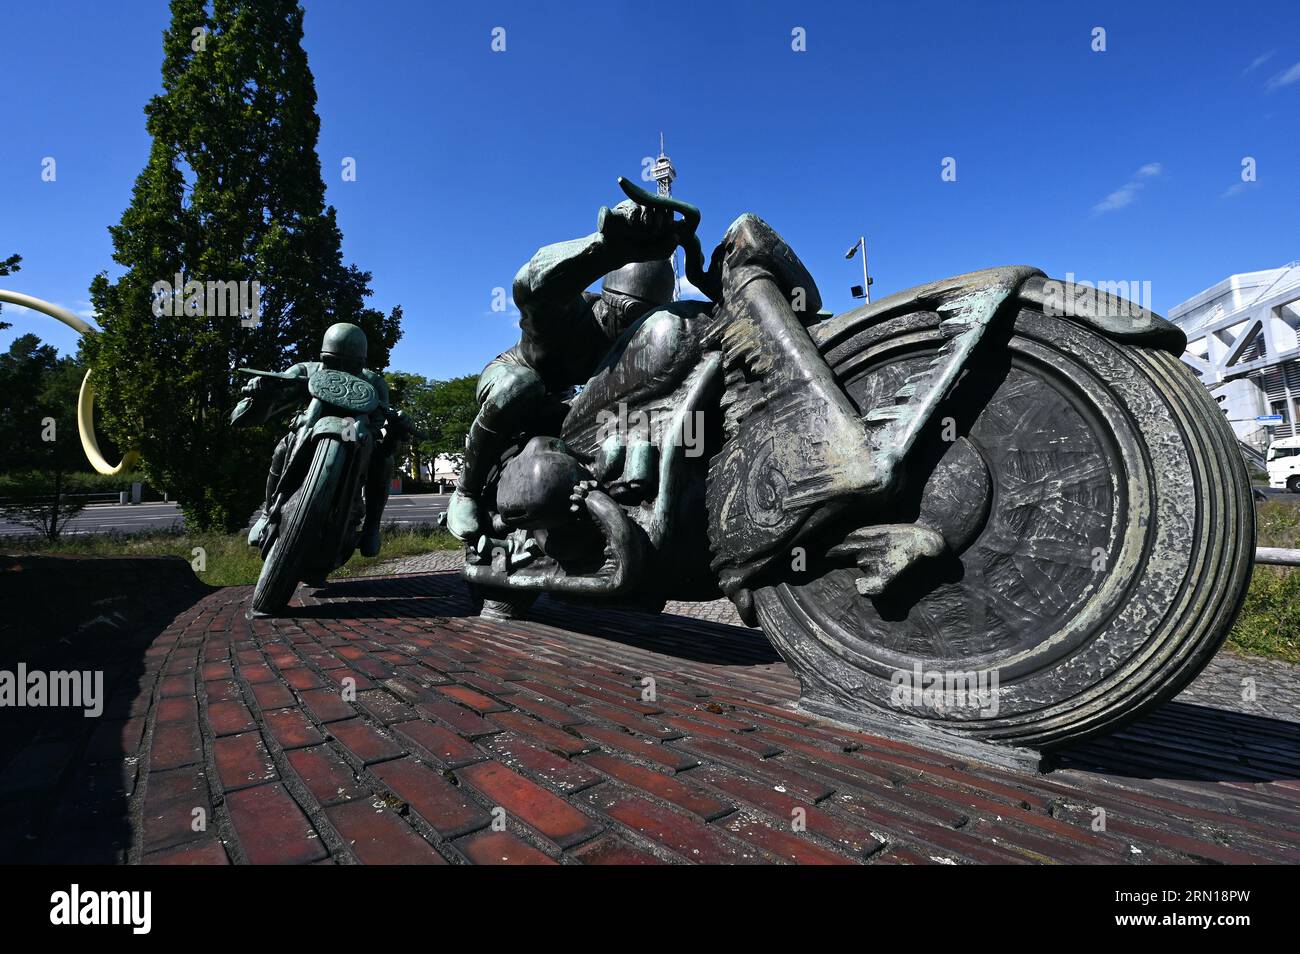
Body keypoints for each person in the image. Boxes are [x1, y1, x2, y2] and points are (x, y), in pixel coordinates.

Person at [234, 322, 411, 558]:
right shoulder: (305, 371)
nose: (341, 371)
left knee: (384, 461)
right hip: (310, 426)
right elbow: (253, 412)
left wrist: (395, 430)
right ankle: (268, 512)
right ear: (322, 357)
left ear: (362, 362)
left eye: (351, 365)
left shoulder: (374, 383)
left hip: (353, 429)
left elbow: (381, 422)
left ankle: (371, 528)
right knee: (283, 446)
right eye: (333, 362)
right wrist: (260, 396)